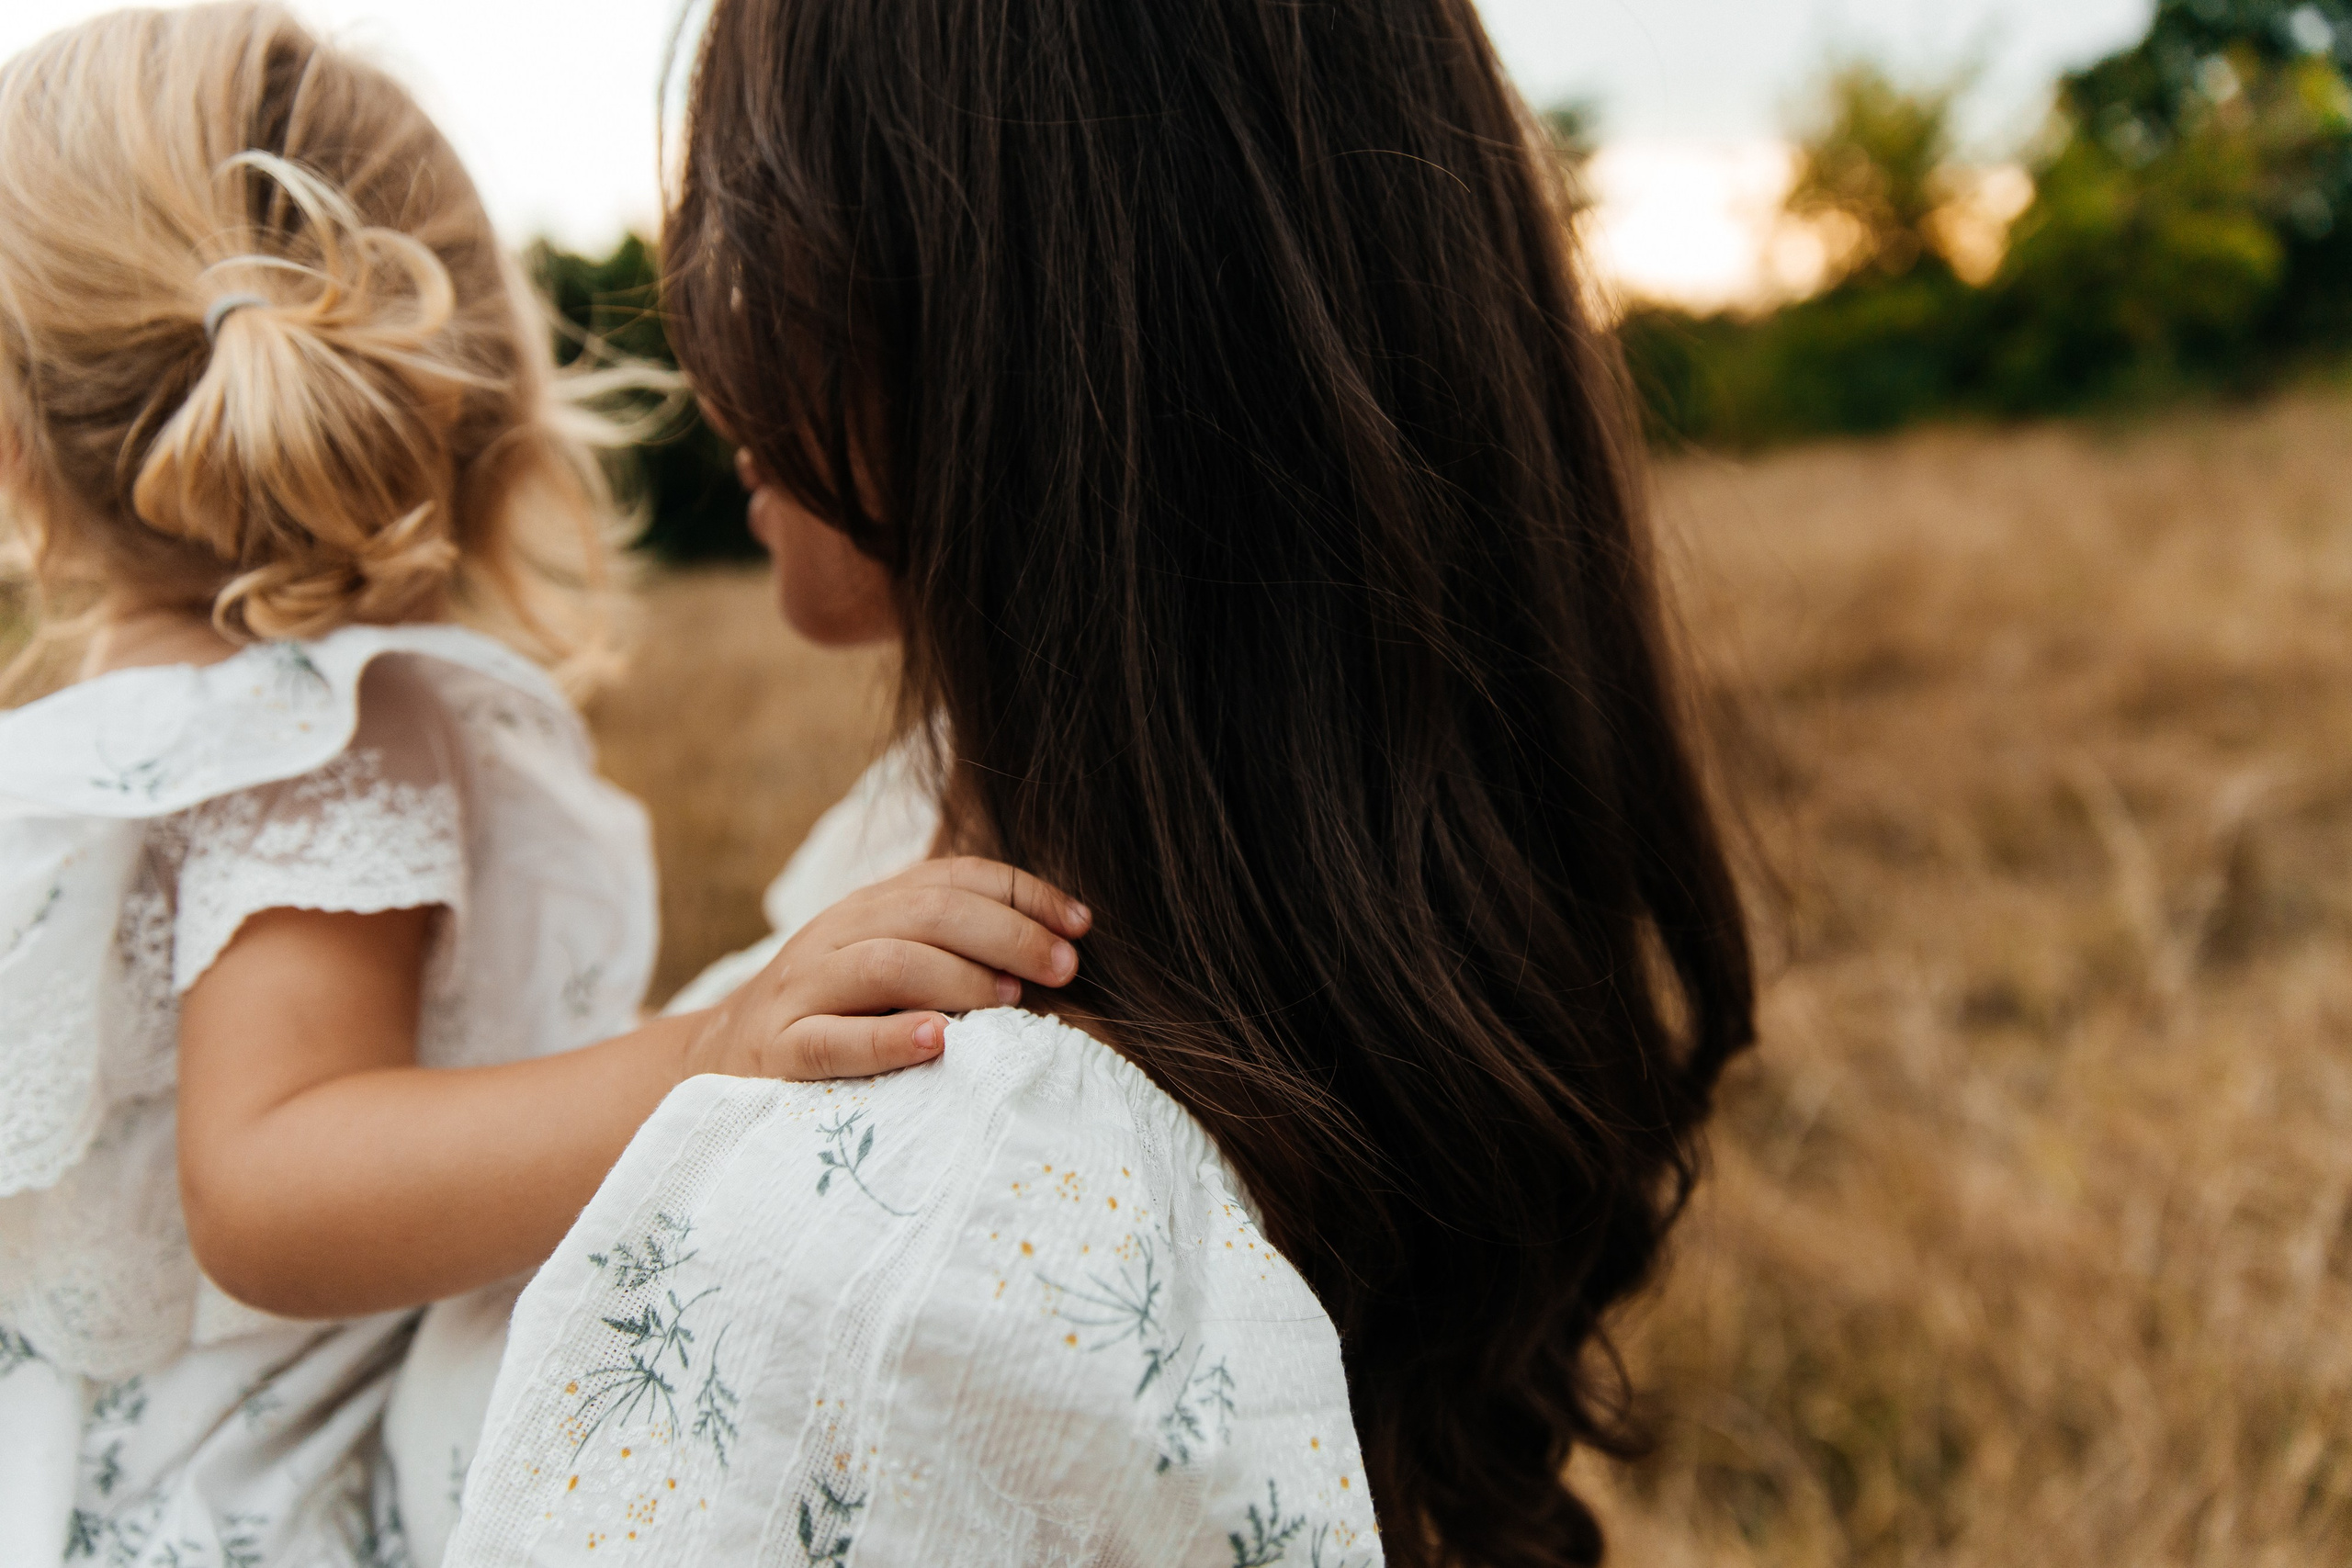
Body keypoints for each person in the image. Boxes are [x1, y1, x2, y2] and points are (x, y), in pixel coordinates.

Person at [449, 1, 1758, 1564]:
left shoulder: (890, 1233)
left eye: (753, 202)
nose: (705, 298)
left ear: (967, 311)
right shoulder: (1239, 947)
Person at [0, 8, 1090, 1564]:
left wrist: (708, 1056)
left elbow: (271, 1179)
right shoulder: (128, 735)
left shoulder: (307, 728)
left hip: (182, 1513)